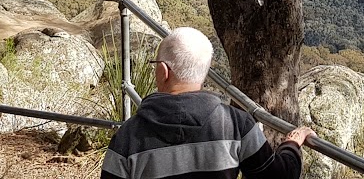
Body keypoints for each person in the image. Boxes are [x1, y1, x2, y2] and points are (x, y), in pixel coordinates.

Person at [101, 27, 316, 179]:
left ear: (163, 71)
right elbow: (277, 175)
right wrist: (292, 144)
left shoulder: (127, 137)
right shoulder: (236, 125)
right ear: (203, 73)